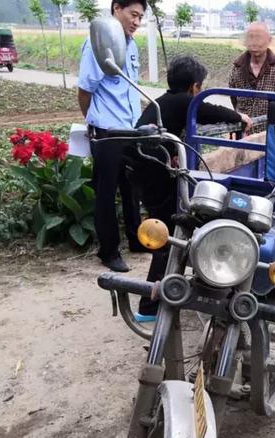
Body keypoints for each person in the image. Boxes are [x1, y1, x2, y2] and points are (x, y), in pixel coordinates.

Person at [129, 56, 252, 321]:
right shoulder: (185, 101)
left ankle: (169, 289)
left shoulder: (164, 101)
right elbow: (209, 111)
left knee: (170, 231)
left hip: (145, 172)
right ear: (195, 87)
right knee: (171, 234)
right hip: (155, 175)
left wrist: (173, 152)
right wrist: (240, 117)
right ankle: (149, 307)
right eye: (201, 86)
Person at [77, 0, 147, 272]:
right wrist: (94, 121)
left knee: (132, 189)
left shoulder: (131, 45)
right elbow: (85, 91)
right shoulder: (97, 45)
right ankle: (108, 251)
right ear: (116, 8)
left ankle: (136, 239)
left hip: (130, 129)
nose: (136, 22)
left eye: (140, 17)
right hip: (107, 133)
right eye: (133, 14)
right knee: (106, 193)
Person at [228, 21, 275, 129]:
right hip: (243, 132)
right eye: (251, 37)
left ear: (269, 40)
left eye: (259, 38)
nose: (255, 42)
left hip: (269, 133)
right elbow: (233, 99)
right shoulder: (237, 68)